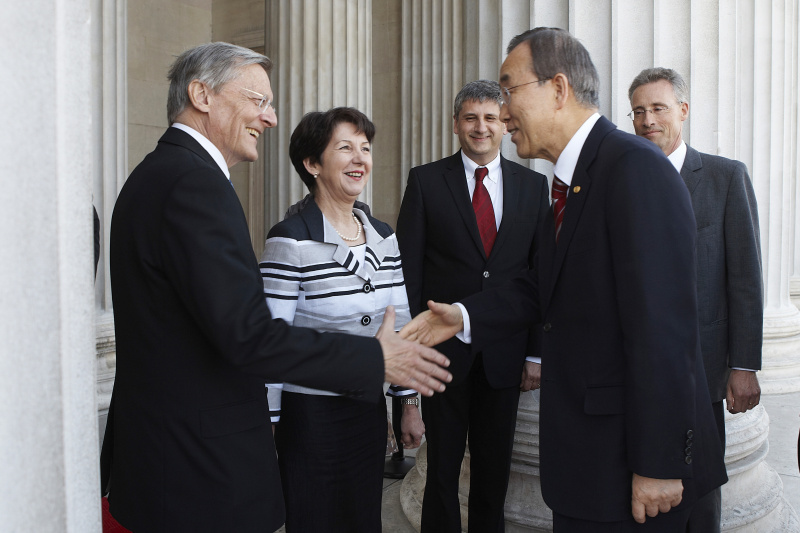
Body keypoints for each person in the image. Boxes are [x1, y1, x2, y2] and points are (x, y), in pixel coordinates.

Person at [100, 42, 451, 533]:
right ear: (202, 95)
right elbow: (251, 335)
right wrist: (375, 359)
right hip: (198, 467)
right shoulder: (195, 185)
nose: (270, 117)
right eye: (257, 100)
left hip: (170, 456)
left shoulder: (156, 175)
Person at [400, 27, 728, 531]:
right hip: (592, 465)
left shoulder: (634, 169)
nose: (503, 112)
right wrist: (465, 315)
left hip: (635, 473)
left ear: (557, 88)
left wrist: (660, 463)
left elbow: (665, 328)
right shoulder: (571, 179)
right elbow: (543, 284)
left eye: (509, 91)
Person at [259, 107, 424, 532]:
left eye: (365, 149)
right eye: (345, 148)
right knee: (314, 518)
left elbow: (399, 324)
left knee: (362, 518)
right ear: (312, 164)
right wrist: (269, 424)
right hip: (309, 415)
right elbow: (269, 342)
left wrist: (406, 404)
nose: (359, 159)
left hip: (367, 409)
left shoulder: (384, 236)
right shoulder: (289, 239)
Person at [395, 79, 548, 532]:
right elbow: (409, 271)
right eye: (470, 118)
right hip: (441, 354)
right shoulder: (425, 181)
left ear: (505, 124)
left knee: (493, 469)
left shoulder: (533, 186)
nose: (481, 127)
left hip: (505, 352)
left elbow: (540, 277)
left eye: (490, 118)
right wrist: (412, 347)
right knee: (440, 466)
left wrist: (536, 352)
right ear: (456, 125)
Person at [628, 67, 763, 532]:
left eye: (659, 108)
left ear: (682, 111)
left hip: (704, 370)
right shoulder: (624, 184)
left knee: (701, 496)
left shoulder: (726, 178)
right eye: (639, 111)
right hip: (639, 371)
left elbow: (745, 277)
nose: (648, 120)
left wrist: (743, 365)